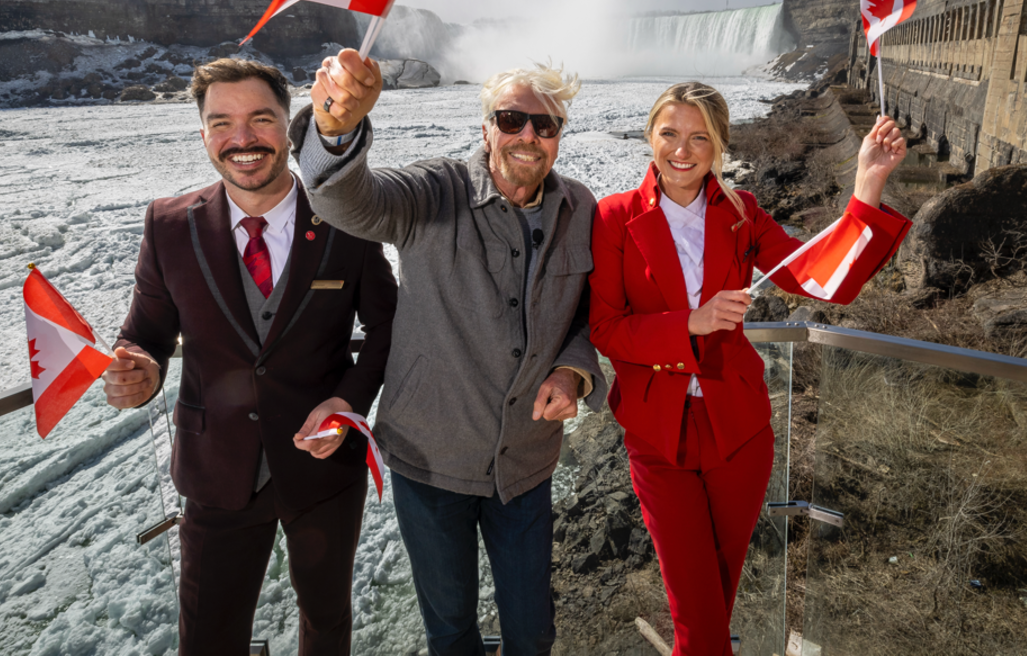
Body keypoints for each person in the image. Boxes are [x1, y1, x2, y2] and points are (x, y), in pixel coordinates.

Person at [292, 48, 606, 656]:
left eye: (545, 125)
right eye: (512, 119)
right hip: (430, 463)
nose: (528, 136)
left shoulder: (581, 210)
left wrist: (573, 370)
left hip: (525, 462)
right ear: (486, 126)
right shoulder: (434, 192)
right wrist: (335, 130)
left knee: (532, 633)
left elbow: (595, 314)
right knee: (451, 633)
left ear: (559, 138)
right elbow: (347, 201)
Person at [588, 81, 910, 656]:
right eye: (669, 134)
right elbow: (606, 330)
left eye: (699, 138)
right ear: (650, 137)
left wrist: (867, 184)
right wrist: (692, 321)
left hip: (739, 431)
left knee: (717, 598)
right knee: (698, 614)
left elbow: (816, 278)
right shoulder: (613, 218)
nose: (681, 151)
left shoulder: (742, 213)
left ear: (718, 147)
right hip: (657, 436)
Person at [101, 58, 397, 656]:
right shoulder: (167, 226)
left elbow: (389, 326)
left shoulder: (345, 219)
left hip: (323, 469)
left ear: (289, 127)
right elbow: (147, 334)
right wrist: (140, 369)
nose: (242, 139)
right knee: (208, 638)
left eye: (261, 119)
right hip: (215, 473)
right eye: (222, 123)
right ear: (203, 133)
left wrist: (347, 402)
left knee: (327, 624)